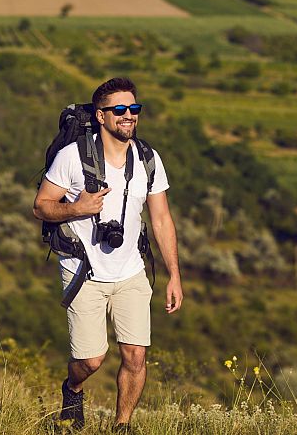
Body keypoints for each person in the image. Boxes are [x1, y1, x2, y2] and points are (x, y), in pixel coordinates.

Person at [33, 77, 184, 431]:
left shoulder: (147, 158)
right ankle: (73, 389)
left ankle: (122, 425)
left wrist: (174, 275)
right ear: (101, 116)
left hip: (131, 271)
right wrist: (77, 208)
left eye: (134, 108)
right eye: (119, 109)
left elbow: (161, 219)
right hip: (83, 271)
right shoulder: (72, 157)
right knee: (91, 360)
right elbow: (40, 206)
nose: (129, 115)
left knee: (136, 356)